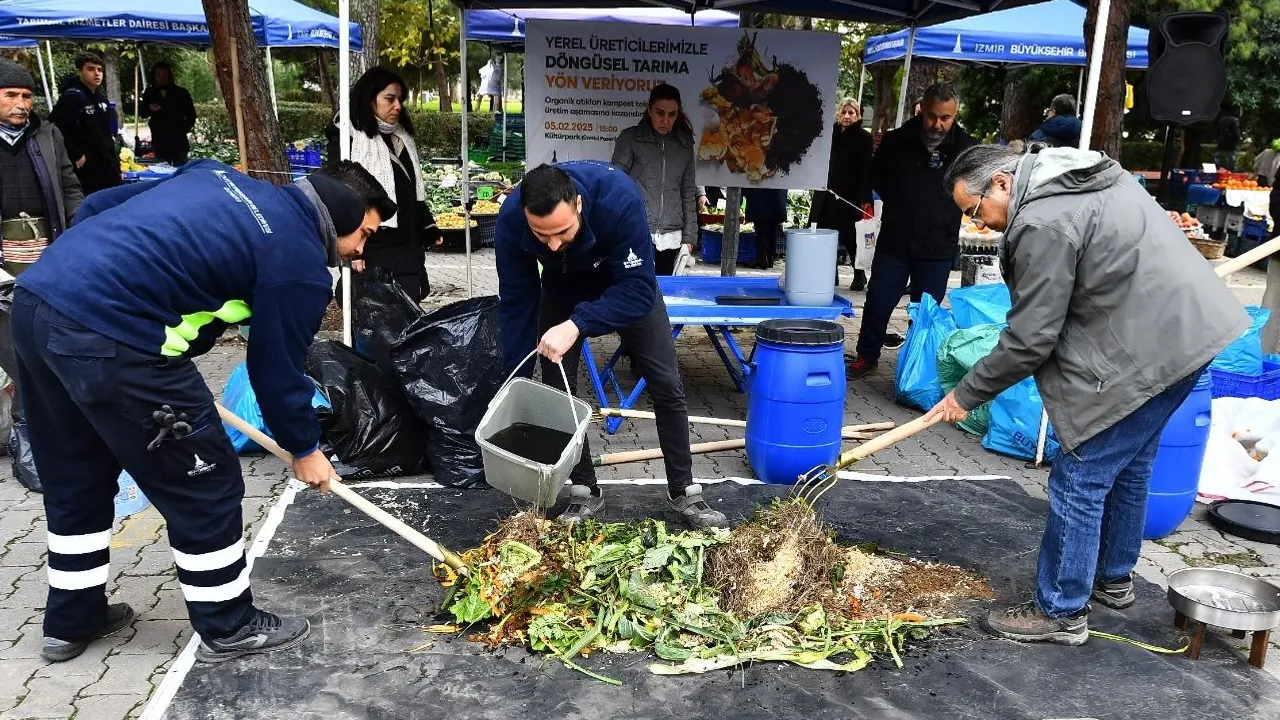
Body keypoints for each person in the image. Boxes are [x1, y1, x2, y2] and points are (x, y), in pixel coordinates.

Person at [13, 158, 394, 664]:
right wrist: (305, 449)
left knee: (75, 473)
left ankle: (71, 620)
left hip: (37, 303)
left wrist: (93, 271)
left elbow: (101, 205)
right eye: (364, 235)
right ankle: (229, 625)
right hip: (118, 341)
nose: (361, 250)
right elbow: (275, 371)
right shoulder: (300, 264)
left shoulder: (219, 176)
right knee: (205, 483)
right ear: (339, 219)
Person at [929, 144, 1249, 646]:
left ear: (1002, 184)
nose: (979, 224)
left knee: (1080, 475)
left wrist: (965, 395)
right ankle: (1114, 579)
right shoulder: (1085, 175)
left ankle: (1061, 609)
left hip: (1156, 348)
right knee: (1133, 463)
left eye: (975, 210)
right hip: (1188, 335)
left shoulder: (1042, 221)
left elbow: (1031, 338)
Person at [495, 161, 727, 529]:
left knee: (666, 383)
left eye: (562, 231)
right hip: (561, 290)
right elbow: (517, 302)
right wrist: (512, 380)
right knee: (559, 394)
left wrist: (576, 324)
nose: (553, 244)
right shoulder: (510, 219)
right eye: (541, 235)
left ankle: (683, 489)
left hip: (626, 287)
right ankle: (585, 489)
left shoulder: (618, 198)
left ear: (579, 204)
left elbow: (638, 290)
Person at [848, 83, 977, 379]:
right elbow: (876, 178)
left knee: (925, 312)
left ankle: (914, 365)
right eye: (932, 116)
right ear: (922, 110)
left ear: (955, 114)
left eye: (945, 118)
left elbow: (975, 190)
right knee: (878, 302)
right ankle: (867, 356)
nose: (937, 124)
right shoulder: (897, 141)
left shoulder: (966, 148)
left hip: (938, 244)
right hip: (896, 239)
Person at [0, 57, 83, 494]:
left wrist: (78, 231)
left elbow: (68, 186)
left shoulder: (46, 135)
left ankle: (62, 431)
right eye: (11, 95)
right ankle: (26, 437)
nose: (21, 103)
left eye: (27, 95)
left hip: (47, 253)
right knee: (14, 348)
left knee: (50, 339)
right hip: (2, 257)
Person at [327, 66, 440, 302]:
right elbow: (341, 195)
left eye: (400, 99)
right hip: (372, 246)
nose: (397, 106)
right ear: (370, 98)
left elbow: (410, 188)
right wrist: (354, 252)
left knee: (408, 309)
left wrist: (427, 225)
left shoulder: (402, 137)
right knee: (377, 313)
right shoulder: (346, 136)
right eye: (390, 99)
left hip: (407, 244)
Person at [611, 84, 697, 276]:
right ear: (649, 110)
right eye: (660, 113)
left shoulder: (684, 145)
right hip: (636, 229)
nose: (665, 120)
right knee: (636, 287)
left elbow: (688, 192)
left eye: (672, 114)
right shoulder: (630, 138)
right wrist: (615, 228)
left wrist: (690, 237)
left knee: (665, 290)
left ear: (678, 114)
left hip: (672, 236)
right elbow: (615, 186)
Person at [809, 99, 874, 291]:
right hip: (827, 193)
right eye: (844, 112)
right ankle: (830, 275)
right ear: (838, 114)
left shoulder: (863, 137)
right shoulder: (829, 134)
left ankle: (859, 274)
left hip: (849, 196)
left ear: (857, 116)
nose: (846, 116)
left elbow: (866, 170)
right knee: (824, 234)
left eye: (851, 113)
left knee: (851, 238)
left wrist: (866, 200)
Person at [50, 52, 121, 195]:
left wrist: (116, 164)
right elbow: (56, 127)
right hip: (85, 165)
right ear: (80, 71)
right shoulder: (72, 96)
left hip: (105, 162)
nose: (97, 74)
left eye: (99, 70)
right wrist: (75, 154)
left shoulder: (101, 98)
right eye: (90, 69)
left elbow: (106, 134)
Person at [139, 61, 197, 166]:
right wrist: (150, 108)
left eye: (164, 75)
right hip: (159, 140)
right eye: (158, 75)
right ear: (154, 76)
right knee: (162, 169)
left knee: (181, 169)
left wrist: (183, 128)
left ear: (169, 75)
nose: (161, 78)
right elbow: (143, 113)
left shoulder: (181, 93)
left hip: (178, 140)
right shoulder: (149, 92)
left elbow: (191, 114)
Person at [743, 188, 786, 270]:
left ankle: (762, 259)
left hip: (759, 200)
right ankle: (769, 258)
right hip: (776, 200)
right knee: (771, 230)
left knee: (761, 231)